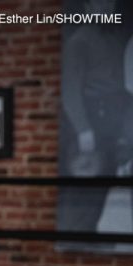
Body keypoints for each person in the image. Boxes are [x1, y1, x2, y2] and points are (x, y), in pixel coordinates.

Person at [58, 0, 133, 239]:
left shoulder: (114, 37)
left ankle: (88, 237)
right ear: (89, 8)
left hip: (113, 117)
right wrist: (83, 130)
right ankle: (76, 236)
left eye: (110, 5)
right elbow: (70, 90)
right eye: (100, 5)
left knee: (105, 182)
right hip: (91, 120)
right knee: (86, 189)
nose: (107, 10)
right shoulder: (80, 41)